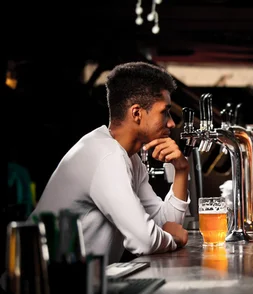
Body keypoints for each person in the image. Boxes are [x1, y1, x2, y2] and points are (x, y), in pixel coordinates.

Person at [29, 61, 189, 264]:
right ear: (137, 113)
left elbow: (165, 223)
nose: (171, 123)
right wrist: (173, 239)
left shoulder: (130, 159)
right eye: (164, 112)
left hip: (76, 284)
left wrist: (181, 170)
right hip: (40, 286)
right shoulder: (106, 155)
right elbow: (145, 241)